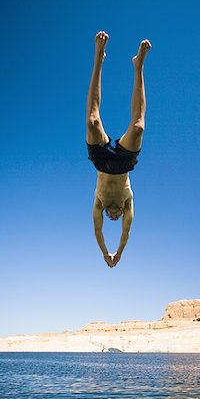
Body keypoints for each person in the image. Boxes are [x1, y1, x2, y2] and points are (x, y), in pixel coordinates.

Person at [86, 31, 151, 267]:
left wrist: (105, 252)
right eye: (117, 217)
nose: (113, 216)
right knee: (139, 126)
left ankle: (98, 59)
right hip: (123, 165)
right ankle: (138, 66)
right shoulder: (128, 203)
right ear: (121, 213)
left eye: (110, 217)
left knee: (93, 120)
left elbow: (97, 231)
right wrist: (119, 253)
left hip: (101, 162)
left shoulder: (99, 203)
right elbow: (125, 234)